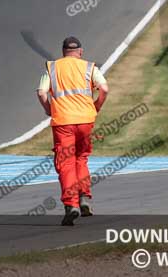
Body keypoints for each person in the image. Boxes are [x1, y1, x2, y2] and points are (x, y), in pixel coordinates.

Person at [36, 37, 109, 226]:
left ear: (63, 51)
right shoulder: (89, 67)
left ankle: (71, 205)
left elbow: (41, 92)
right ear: (81, 51)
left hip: (62, 122)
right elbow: (104, 88)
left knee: (65, 163)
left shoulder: (52, 68)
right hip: (85, 120)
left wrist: (48, 109)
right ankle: (84, 197)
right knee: (81, 158)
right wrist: (96, 107)